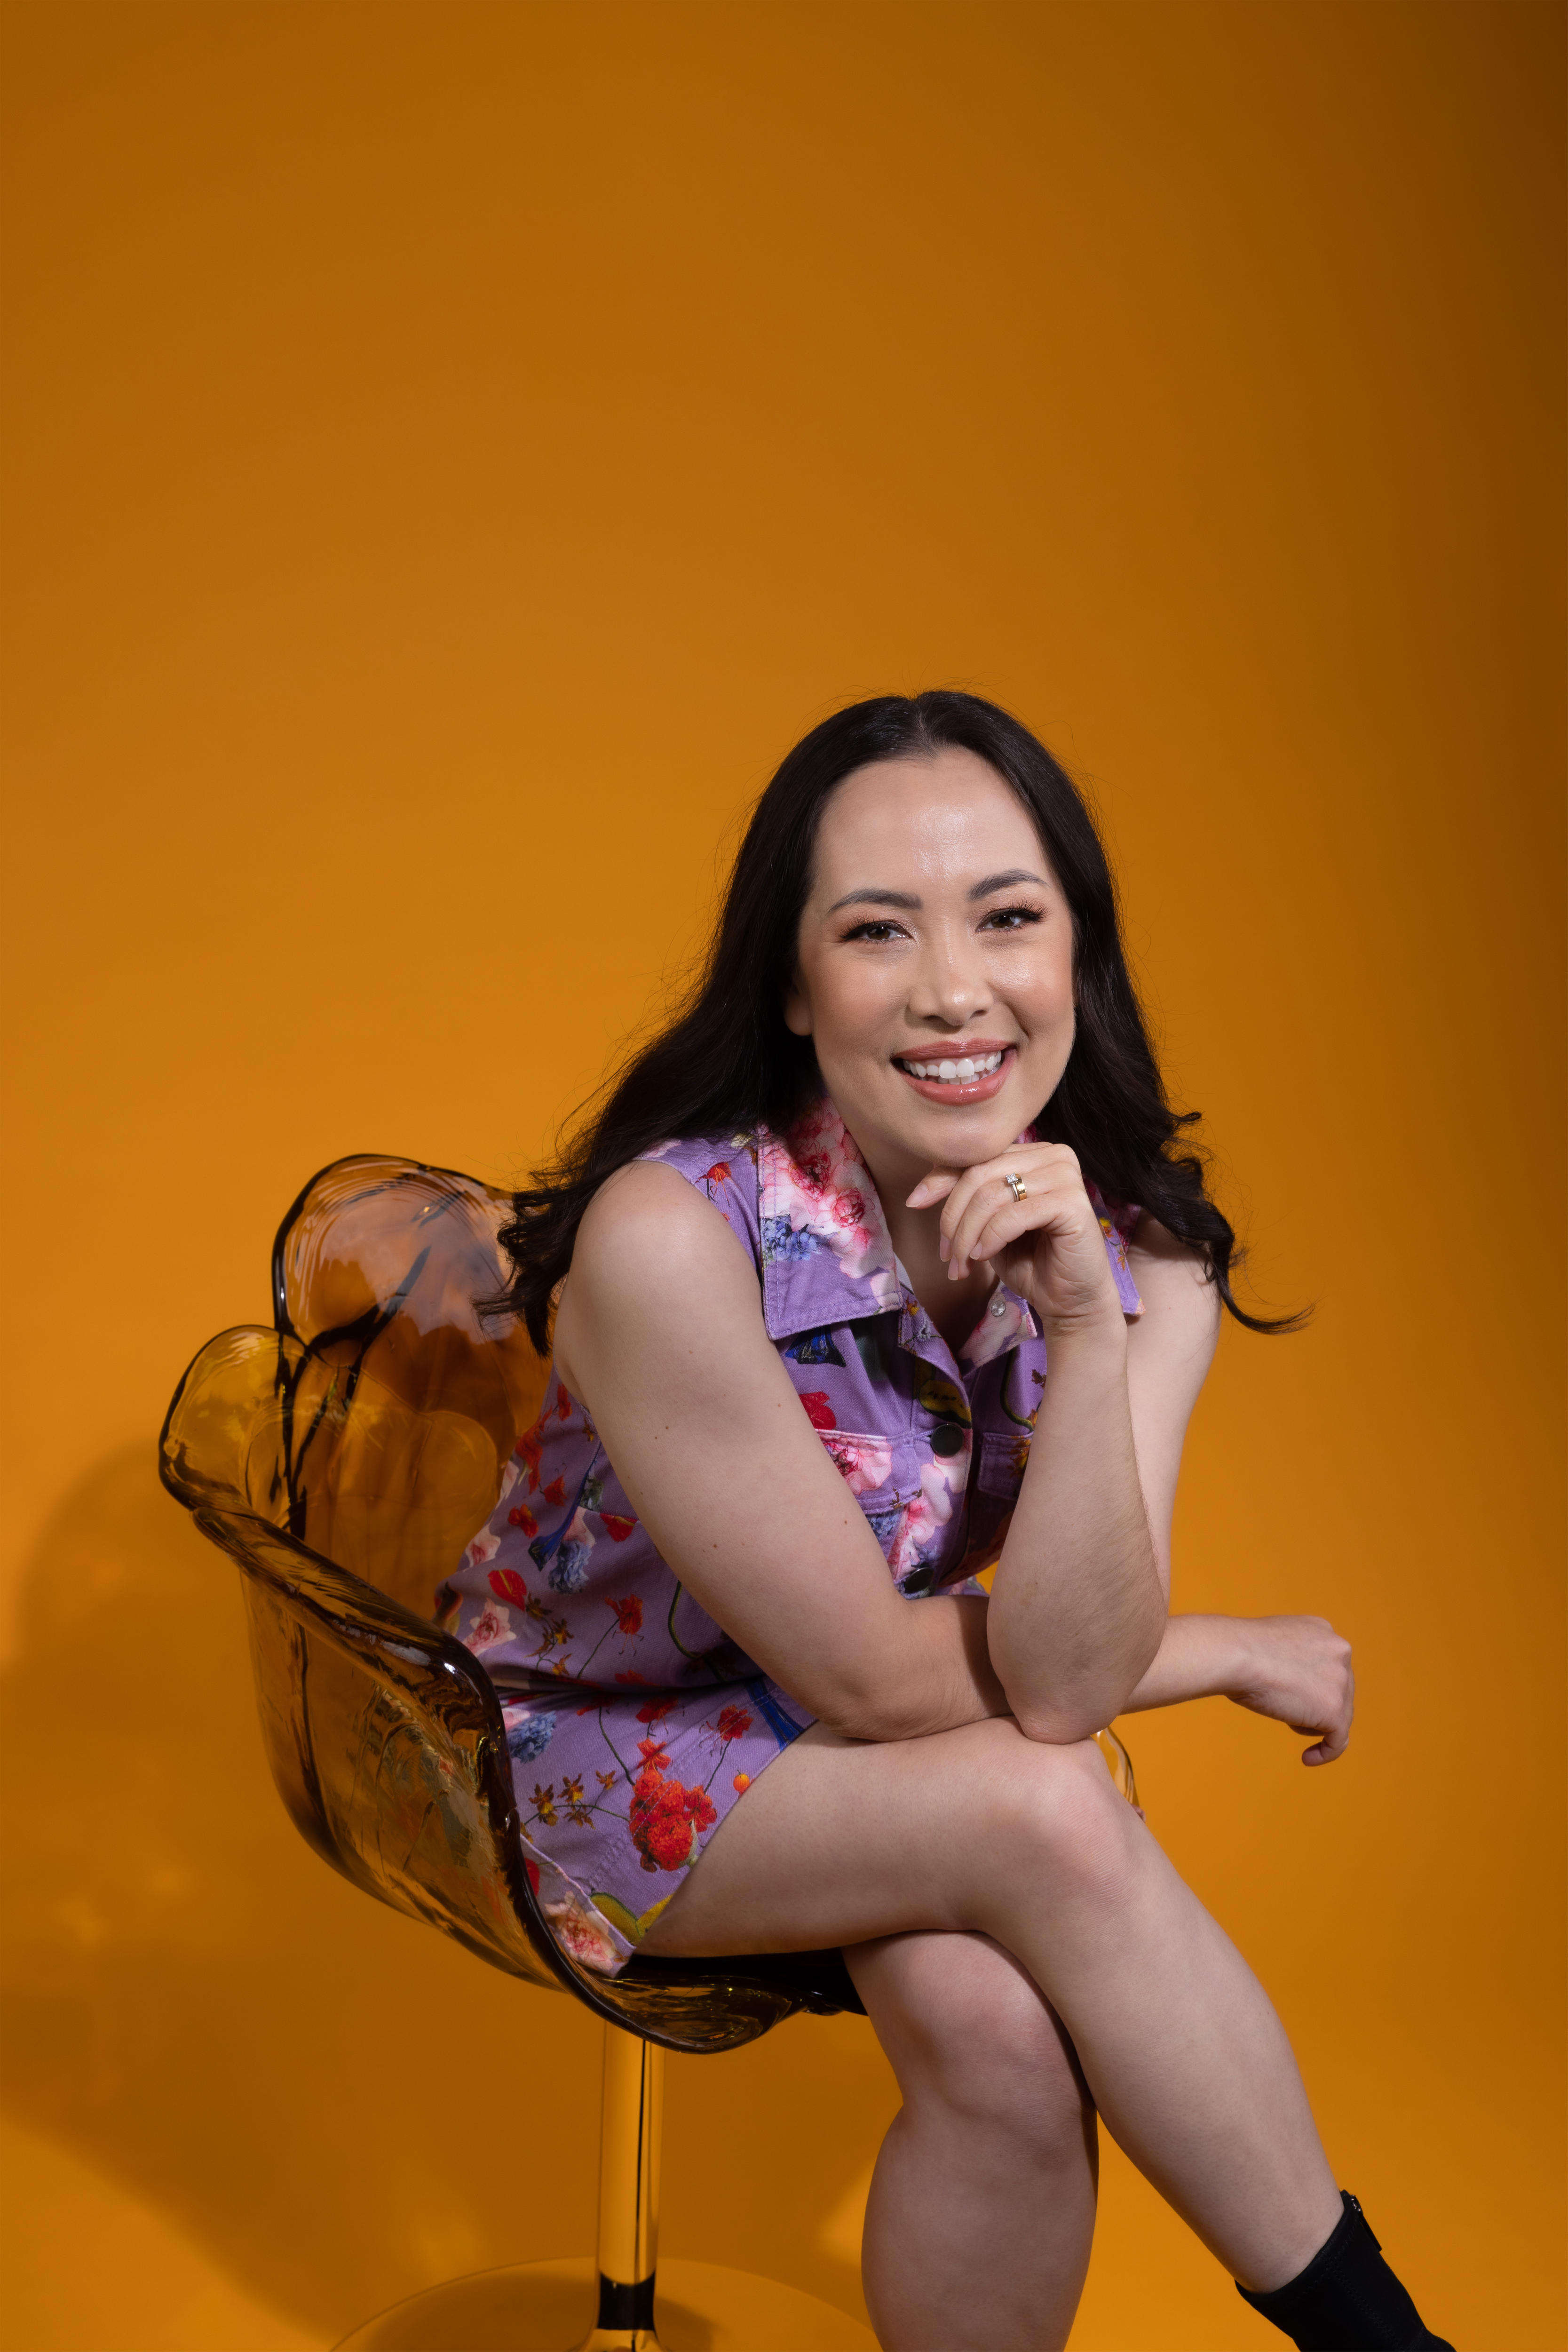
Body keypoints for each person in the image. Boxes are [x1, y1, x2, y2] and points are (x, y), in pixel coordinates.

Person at [441, 692, 1451, 2352]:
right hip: (565, 1751)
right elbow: (891, 1685)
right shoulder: (671, 1240)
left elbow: (1053, 1683)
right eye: (876, 930)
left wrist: (1088, 1329)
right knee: (1046, 1817)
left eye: (1007, 917)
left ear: (1078, 953)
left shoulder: (1142, 1260)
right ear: (792, 982)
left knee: (1001, 2044)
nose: (952, 987)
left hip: (864, 1758)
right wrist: (1215, 1655)